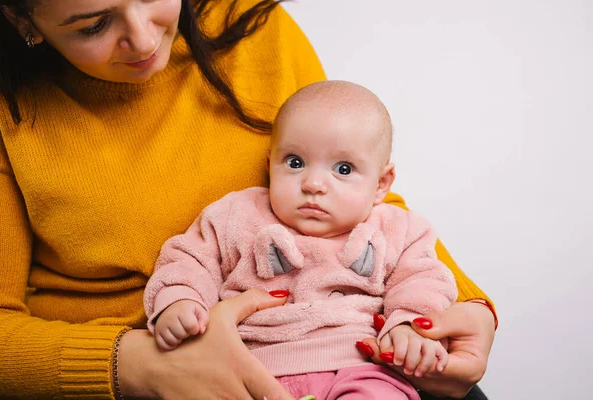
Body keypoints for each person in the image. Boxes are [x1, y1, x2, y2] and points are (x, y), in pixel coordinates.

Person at [0, 0, 496, 399]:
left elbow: (360, 194)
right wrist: (133, 365)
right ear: (20, 17)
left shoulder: (252, 22)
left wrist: (456, 309)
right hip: (144, 371)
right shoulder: (6, 109)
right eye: (92, 25)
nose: (144, 38)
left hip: (358, 349)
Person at [144, 80, 459, 399]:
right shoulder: (238, 215)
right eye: (295, 163)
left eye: (344, 169)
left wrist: (408, 325)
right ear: (270, 166)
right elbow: (188, 259)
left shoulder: (397, 228)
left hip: (362, 367)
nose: (313, 184)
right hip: (255, 370)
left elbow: (423, 279)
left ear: (381, 183)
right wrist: (180, 299)